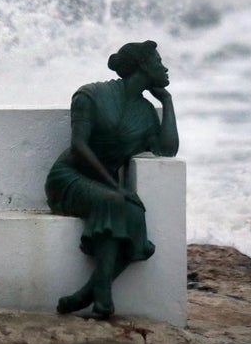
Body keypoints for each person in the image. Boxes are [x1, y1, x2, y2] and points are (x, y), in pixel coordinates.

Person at [45, 40, 179, 318]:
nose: (165, 68)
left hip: (105, 186)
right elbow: (79, 147)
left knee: (134, 213)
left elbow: (168, 149)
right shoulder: (91, 95)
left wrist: (167, 101)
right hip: (69, 178)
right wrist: (114, 185)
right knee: (115, 200)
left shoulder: (145, 113)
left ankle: (87, 294)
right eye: (158, 63)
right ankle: (103, 297)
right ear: (143, 66)